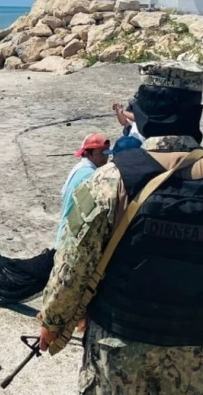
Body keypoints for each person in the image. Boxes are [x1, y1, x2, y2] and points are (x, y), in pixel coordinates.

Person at [39, 61, 203, 393]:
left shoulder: (111, 179)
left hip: (118, 347)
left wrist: (53, 321)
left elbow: (74, 263)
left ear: (143, 116)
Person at [53, 133, 109, 248]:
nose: (106, 157)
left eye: (107, 152)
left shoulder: (80, 168)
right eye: (101, 153)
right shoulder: (89, 175)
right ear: (88, 154)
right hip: (70, 236)